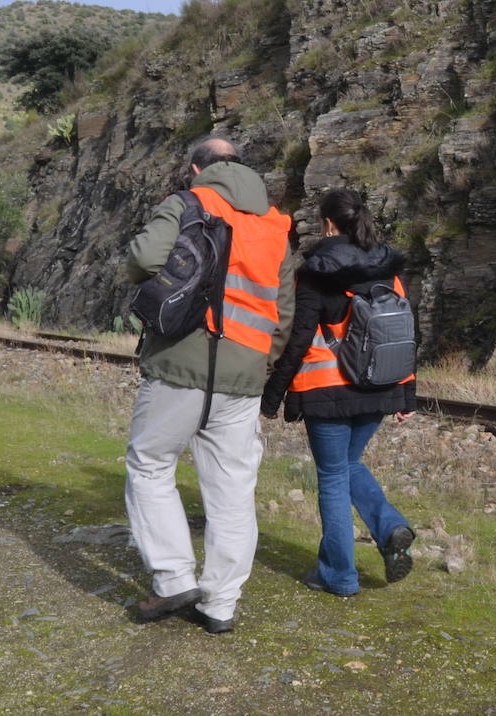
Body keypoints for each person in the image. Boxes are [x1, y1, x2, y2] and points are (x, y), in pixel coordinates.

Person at [124, 137, 294, 633]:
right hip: (243, 377)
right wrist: (257, 364)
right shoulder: (275, 224)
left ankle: (174, 576)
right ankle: (220, 605)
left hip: (181, 363)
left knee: (151, 463)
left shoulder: (187, 202)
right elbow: (282, 314)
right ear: (240, 164)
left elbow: (142, 259)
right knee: (233, 492)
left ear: (198, 167)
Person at [262, 188, 416, 597]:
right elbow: (404, 331)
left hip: (325, 389)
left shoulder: (317, 268)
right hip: (380, 387)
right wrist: (408, 394)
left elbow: (298, 339)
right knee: (348, 465)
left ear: (329, 224)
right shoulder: (388, 265)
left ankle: (339, 577)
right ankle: (389, 526)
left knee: (332, 477)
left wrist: (273, 395)